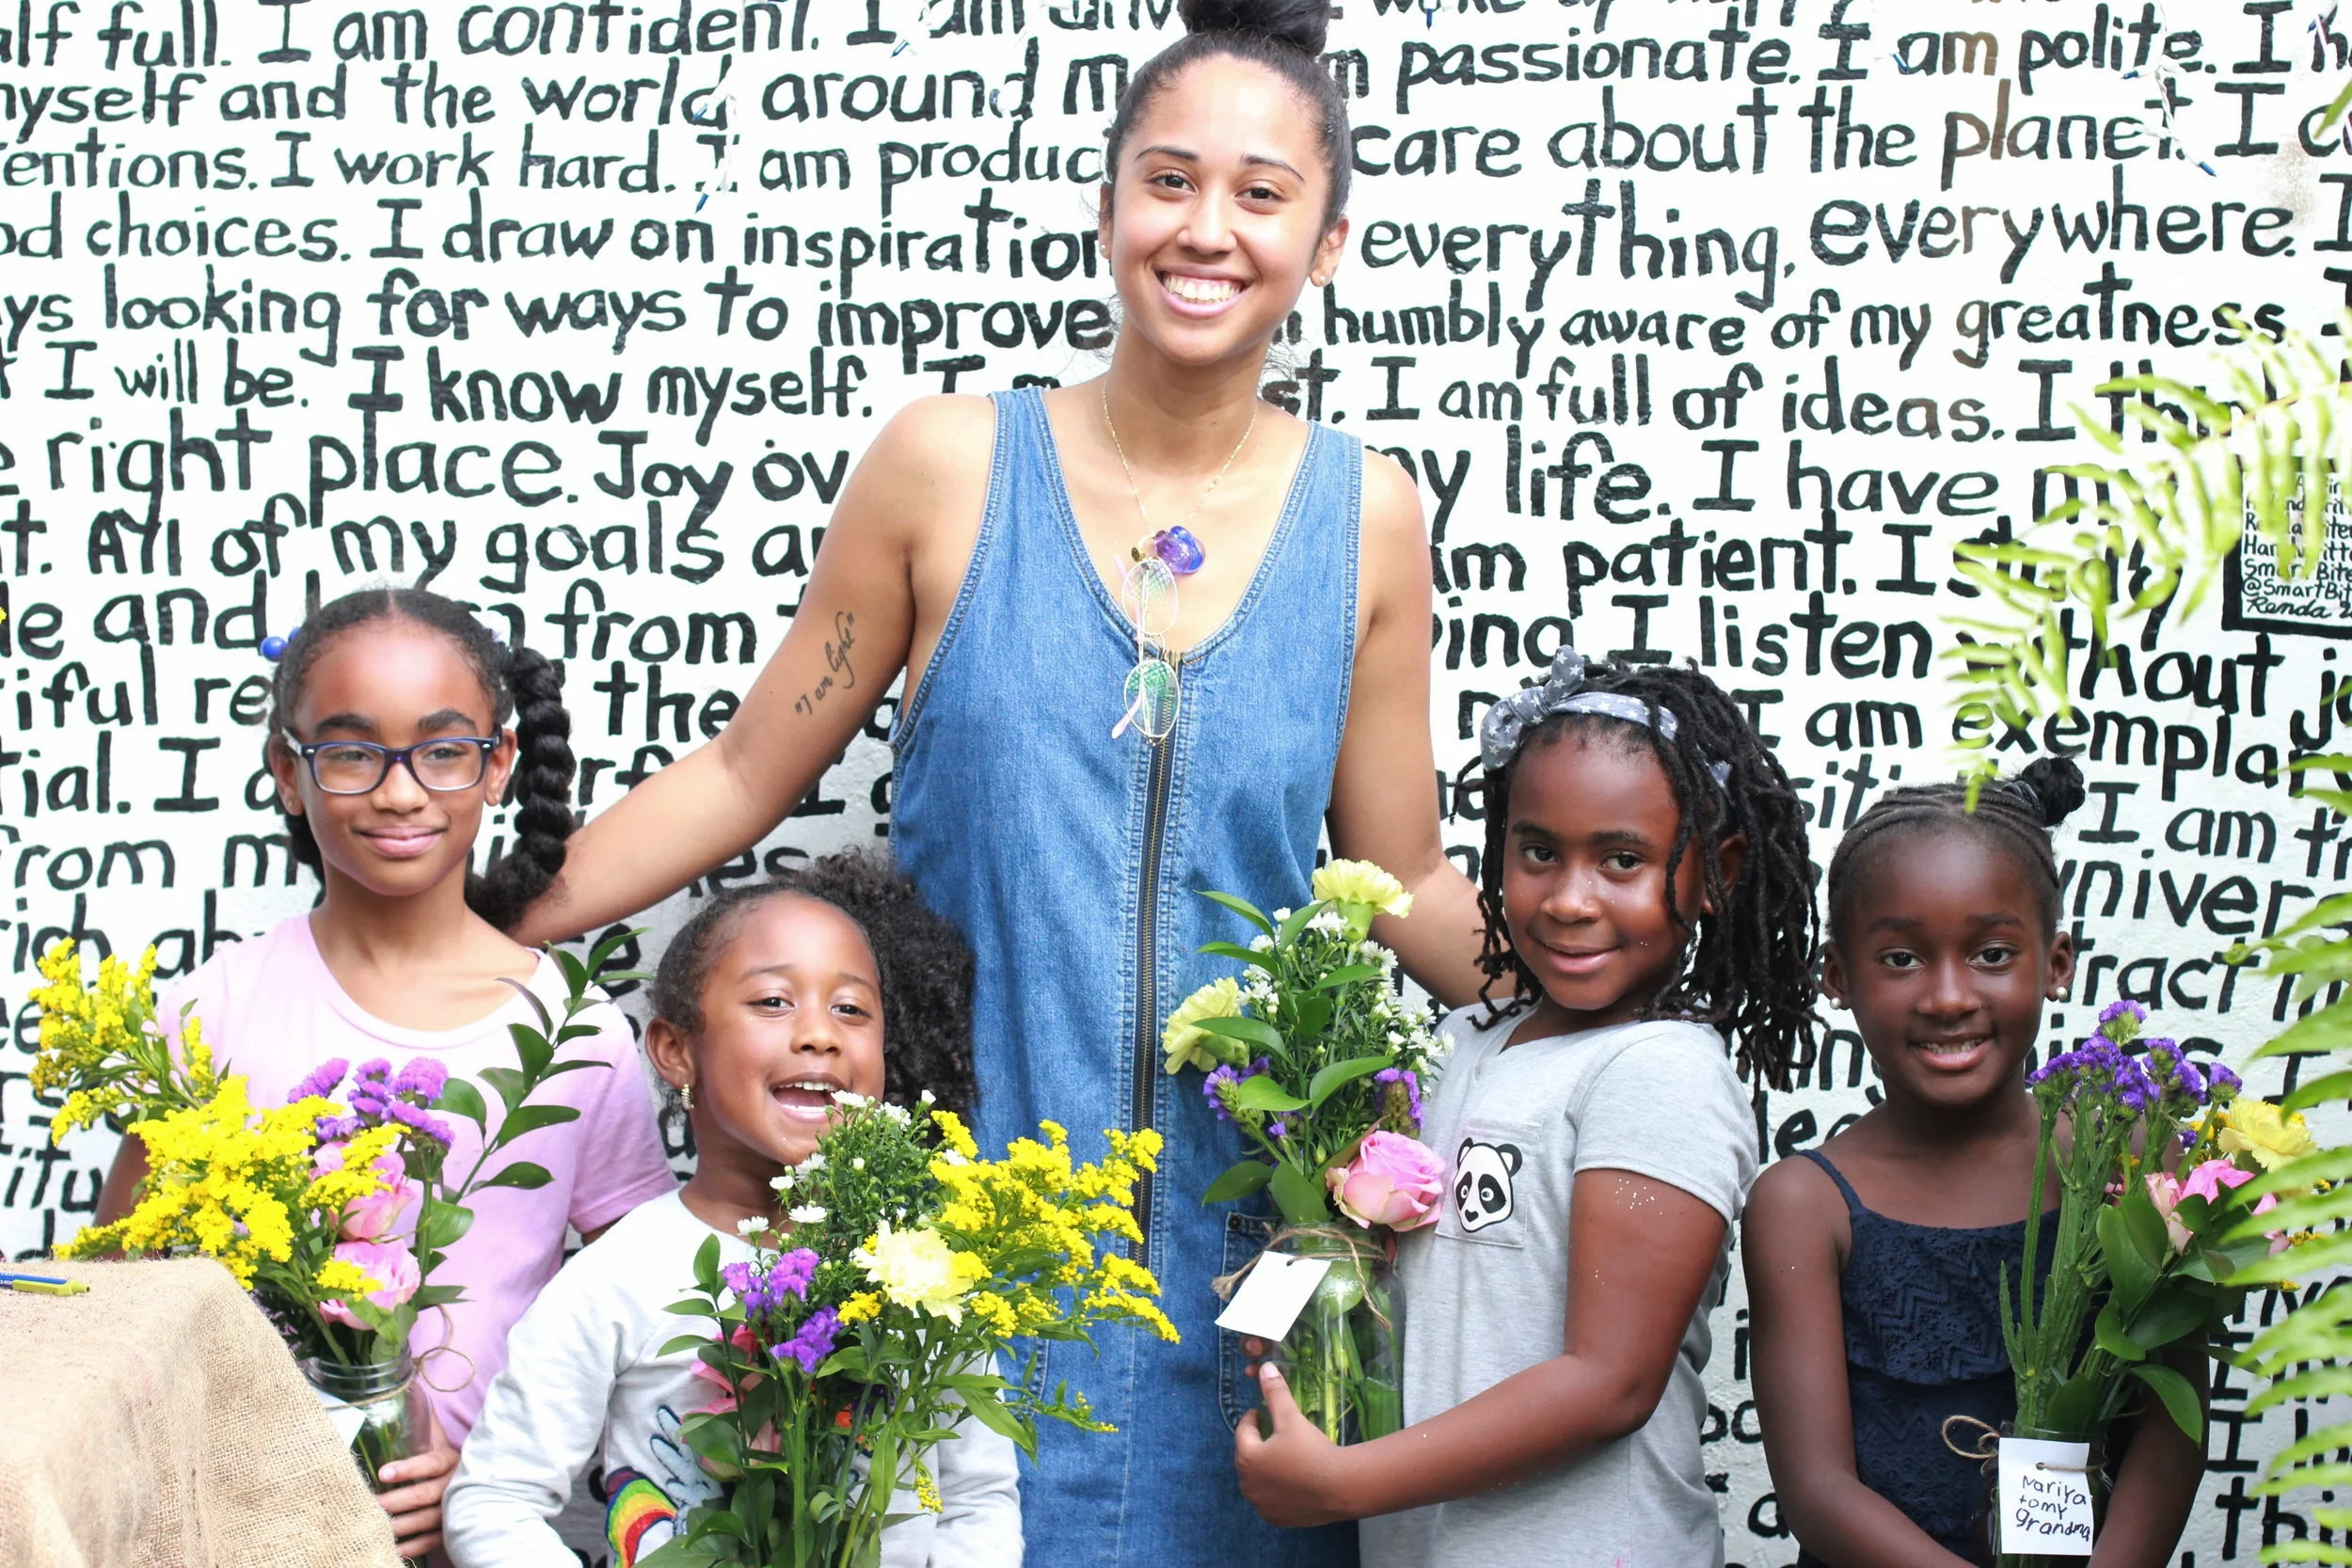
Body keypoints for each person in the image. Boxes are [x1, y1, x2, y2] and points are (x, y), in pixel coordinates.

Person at [511, 1, 1485, 1560]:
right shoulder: (949, 464)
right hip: (950, 1247)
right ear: (1108, 206)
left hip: (1251, 1268)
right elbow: (749, 767)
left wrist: (1627, 990)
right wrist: (476, 929)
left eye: (1261, 193)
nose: (1207, 228)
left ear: (1327, 243)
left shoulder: (1367, 515)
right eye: (1169, 180)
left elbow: (1405, 874)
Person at [93, 587, 675, 1560]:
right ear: (289, 772)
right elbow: (118, 1292)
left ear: (498, 763)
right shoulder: (211, 1010)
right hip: (241, 1529)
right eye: (353, 752)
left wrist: (496, 1474)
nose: (401, 792)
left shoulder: (576, 1033)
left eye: (442, 750)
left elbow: (645, 1320)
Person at [1232, 651, 1819, 1567]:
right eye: (1539, 851)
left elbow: (1609, 1383)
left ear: (1717, 872)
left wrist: (1345, 1483)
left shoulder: (1660, 1070)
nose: (1571, 899)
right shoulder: (1461, 1039)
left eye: (1622, 860)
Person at [444, 853, 1018, 1567]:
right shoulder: (618, 1276)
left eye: (850, 1008)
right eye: (774, 1001)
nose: (820, 1033)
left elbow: (977, 1498)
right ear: (675, 1050)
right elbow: (494, 1501)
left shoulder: (922, 1275)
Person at [1740, 757, 2204, 1567]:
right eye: (1901, 958)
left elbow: (2172, 1433)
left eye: (1992, 953)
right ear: (1837, 976)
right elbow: (1818, 1488)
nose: (1949, 995)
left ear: (2056, 962)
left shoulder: (2130, 1158)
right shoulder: (1804, 1204)